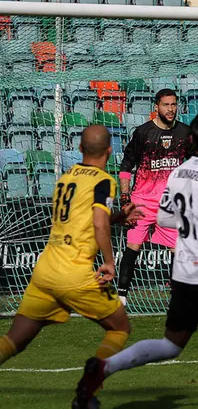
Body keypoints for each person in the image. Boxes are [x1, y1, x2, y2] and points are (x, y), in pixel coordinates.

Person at [74, 106, 198, 409]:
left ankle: (104, 367)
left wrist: (190, 219)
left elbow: (165, 218)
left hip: (183, 272)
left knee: (171, 344)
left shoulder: (179, 172)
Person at [0, 126, 142, 405]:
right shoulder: (103, 181)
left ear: (79, 149)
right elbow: (98, 222)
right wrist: (110, 262)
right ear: (110, 151)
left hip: (45, 270)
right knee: (119, 328)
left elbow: (86, 219)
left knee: (14, 340)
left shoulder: (67, 176)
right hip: (75, 273)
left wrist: (117, 217)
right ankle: (87, 391)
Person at [117, 89, 192, 306]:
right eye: (166, 105)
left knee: (176, 248)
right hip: (142, 201)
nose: (171, 109)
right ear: (156, 107)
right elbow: (126, 166)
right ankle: (121, 295)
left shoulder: (185, 133)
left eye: (174, 104)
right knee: (133, 246)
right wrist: (125, 199)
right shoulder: (143, 133)